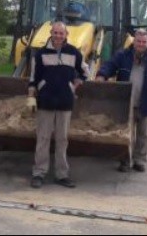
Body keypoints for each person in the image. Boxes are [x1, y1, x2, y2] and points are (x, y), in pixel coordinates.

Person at [95, 29, 147, 172]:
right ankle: (125, 160)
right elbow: (110, 65)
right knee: (124, 134)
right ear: (134, 42)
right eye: (138, 41)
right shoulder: (123, 55)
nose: (141, 44)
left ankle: (139, 160)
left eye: (144, 42)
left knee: (144, 133)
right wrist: (102, 75)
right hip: (126, 102)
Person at [27, 21, 87, 189]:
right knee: (43, 138)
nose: (58, 36)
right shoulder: (40, 54)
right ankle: (39, 173)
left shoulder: (73, 52)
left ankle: (62, 174)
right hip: (45, 101)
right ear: (51, 33)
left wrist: (77, 82)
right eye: (55, 32)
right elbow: (33, 77)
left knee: (62, 139)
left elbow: (84, 70)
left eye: (61, 33)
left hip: (65, 101)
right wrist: (31, 95)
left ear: (66, 34)